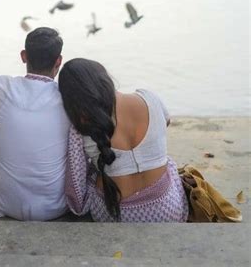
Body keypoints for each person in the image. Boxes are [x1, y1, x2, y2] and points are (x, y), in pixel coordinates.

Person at [58, 58, 188, 222]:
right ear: (105, 78)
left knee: (93, 173)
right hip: (167, 210)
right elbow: (166, 122)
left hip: (114, 214)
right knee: (168, 162)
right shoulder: (150, 98)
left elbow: (76, 182)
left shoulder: (80, 127)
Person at [0, 27, 70, 220]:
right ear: (59, 61)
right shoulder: (68, 96)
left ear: (23, 56)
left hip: (5, 203)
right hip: (55, 206)